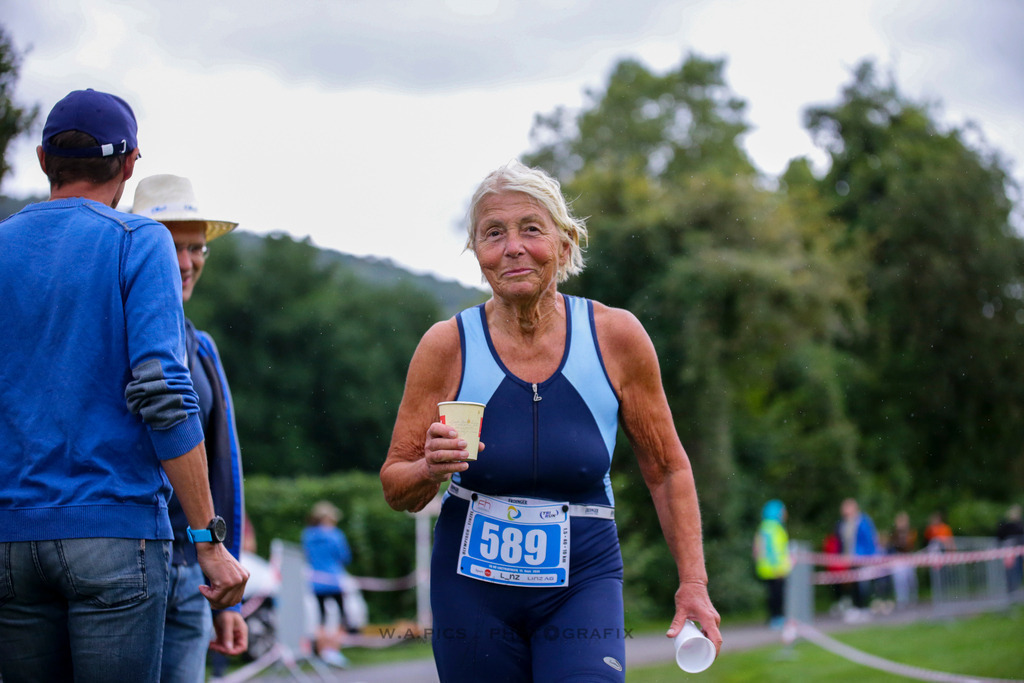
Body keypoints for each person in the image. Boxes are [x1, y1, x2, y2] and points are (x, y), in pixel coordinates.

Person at [380, 160, 721, 682]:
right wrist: (429, 467)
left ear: (564, 245)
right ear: (478, 255)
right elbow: (395, 483)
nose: (512, 246)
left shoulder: (617, 337)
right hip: (470, 587)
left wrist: (692, 582)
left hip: (584, 579)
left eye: (530, 229)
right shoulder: (446, 345)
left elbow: (667, 468)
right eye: (493, 234)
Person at [0, 89, 248, 683]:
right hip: (115, 534)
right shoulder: (139, 241)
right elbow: (163, 393)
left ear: (41, 159)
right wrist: (209, 540)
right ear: (130, 163)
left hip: (10, 537)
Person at [133, 174, 248, 681]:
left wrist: (227, 593)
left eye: (196, 247)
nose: (185, 263)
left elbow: (225, 470)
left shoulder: (201, 347)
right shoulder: (116, 332)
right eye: (171, 247)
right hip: (127, 568)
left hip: (195, 572)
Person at [301, 500, 356, 668]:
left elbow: (307, 556)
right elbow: (344, 557)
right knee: (341, 617)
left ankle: (322, 652)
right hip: (334, 581)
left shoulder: (308, 535)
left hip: (316, 582)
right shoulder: (336, 535)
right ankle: (334, 651)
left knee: (321, 618)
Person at [836, 498, 880, 622]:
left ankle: (863, 608)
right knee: (854, 584)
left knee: (862, 584)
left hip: (862, 558)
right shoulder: (843, 523)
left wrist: (870, 556)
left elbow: (869, 540)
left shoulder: (863, 521)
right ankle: (857, 608)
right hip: (849, 558)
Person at [752, 500, 792, 629]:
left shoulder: (765, 526)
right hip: (775, 568)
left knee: (772, 594)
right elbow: (772, 549)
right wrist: (778, 567)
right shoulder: (773, 527)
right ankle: (777, 618)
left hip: (767, 567)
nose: (785, 514)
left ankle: (774, 617)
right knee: (777, 595)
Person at [887, 511, 919, 609]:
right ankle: (902, 600)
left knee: (911, 579)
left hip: (908, 558)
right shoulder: (894, 533)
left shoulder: (911, 532)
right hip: (898, 558)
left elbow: (910, 545)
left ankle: (913, 599)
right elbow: (893, 545)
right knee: (899, 580)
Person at [995, 504, 1024, 594]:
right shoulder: (1006, 525)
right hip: (1009, 553)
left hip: (1019, 553)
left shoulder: (1020, 525)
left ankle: (1015, 589)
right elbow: (1000, 536)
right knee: (1010, 571)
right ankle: (1011, 589)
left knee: (1017, 571)